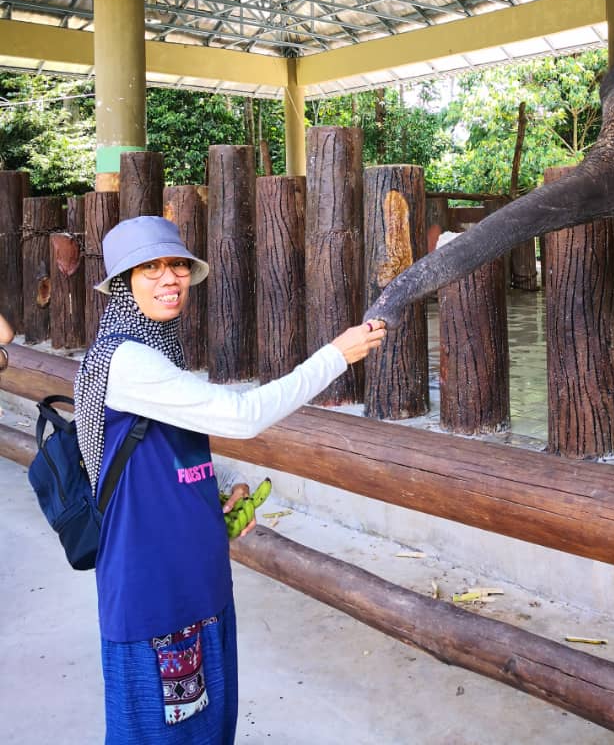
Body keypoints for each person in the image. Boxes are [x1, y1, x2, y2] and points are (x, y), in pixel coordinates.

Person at [73, 214, 386, 744]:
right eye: (149, 269)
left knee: (211, 731)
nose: (169, 279)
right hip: (154, 592)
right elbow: (241, 417)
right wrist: (336, 356)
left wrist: (215, 490)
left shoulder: (159, 352)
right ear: (123, 285)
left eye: (176, 265)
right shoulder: (123, 360)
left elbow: (164, 453)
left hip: (201, 580)